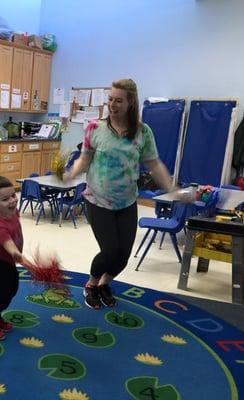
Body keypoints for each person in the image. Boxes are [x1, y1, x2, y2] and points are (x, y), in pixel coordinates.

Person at [63, 78, 180, 310]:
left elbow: (154, 164)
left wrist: (172, 188)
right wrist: (71, 173)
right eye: (110, 99)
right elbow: (84, 159)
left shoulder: (143, 132)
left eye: (118, 100)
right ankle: (91, 284)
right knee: (109, 252)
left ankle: (105, 283)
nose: (112, 105)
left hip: (127, 201)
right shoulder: (94, 128)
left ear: (130, 103)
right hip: (97, 200)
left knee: (123, 256)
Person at [0, 175, 30, 340]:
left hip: (8, 261)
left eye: (13, 195)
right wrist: (17, 254)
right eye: (5, 199)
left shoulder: (14, 211)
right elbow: (9, 245)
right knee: (2, 293)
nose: (12, 201)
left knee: (12, 289)